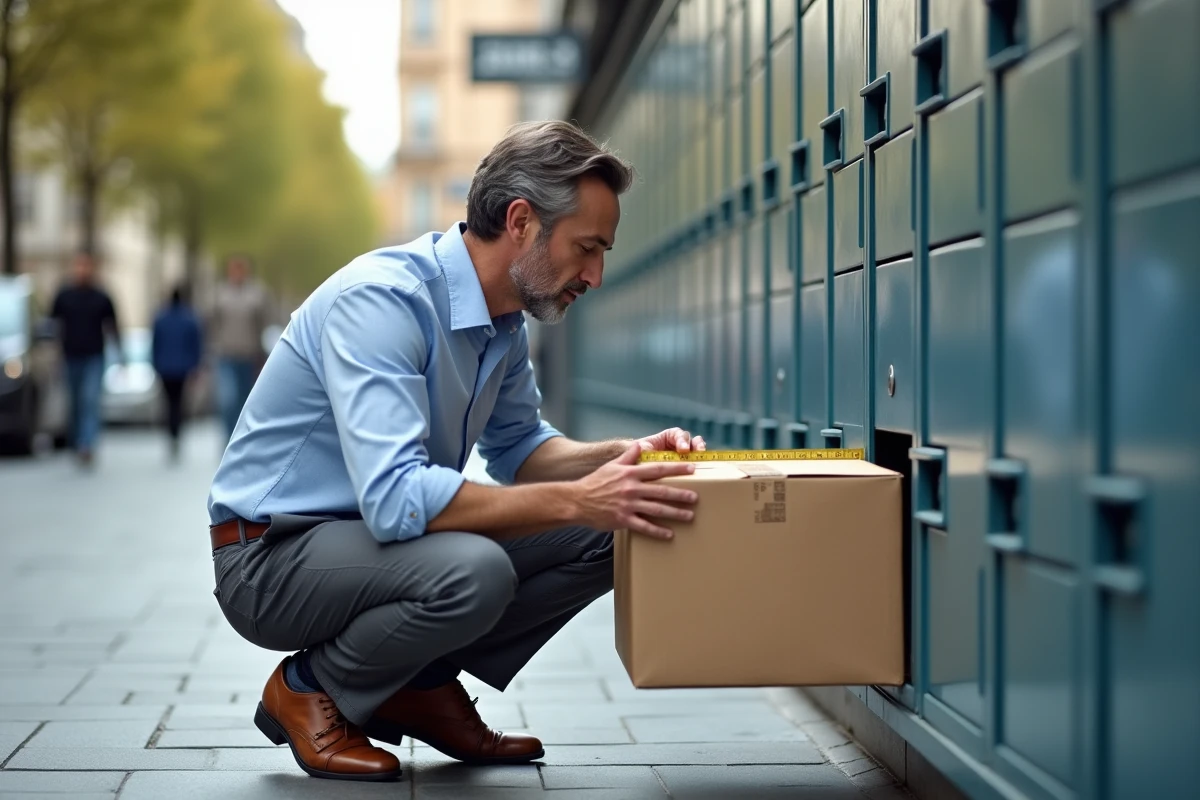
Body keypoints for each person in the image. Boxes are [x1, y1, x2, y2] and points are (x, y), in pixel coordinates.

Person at [206, 120, 706, 782]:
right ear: (522, 221)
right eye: (587, 248)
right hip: (269, 557)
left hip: (366, 545)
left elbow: (521, 448)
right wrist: (577, 499)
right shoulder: (383, 301)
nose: (597, 274)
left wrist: (623, 458)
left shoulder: (502, 322)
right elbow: (394, 500)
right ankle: (307, 685)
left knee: (620, 526)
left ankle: (419, 678)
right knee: (475, 570)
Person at [50, 251, 122, 467]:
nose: (82, 270)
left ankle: (87, 444)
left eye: (86, 266)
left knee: (90, 400)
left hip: (94, 357)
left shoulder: (101, 296)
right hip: (70, 356)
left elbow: (112, 325)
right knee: (74, 402)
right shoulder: (64, 295)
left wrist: (120, 354)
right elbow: (52, 324)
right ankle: (76, 440)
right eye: (78, 266)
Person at [206, 253, 272, 440]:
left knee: (245, 401)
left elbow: (264, 323)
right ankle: (228, 439)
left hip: (250, 357)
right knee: (228, 399)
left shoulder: (258, 294)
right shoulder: (220, 294)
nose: (237, 272)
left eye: (241, 268)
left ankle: (241, 439)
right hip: (226, 356)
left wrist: (262, 353)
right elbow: (212, 322)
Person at [151, 285, 204, 460]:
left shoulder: (160, 318)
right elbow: (195, 344)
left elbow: (155, 344)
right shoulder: (190, 318)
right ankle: (176, 433)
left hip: (165, 368)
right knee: (178, 402)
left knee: (169, 403)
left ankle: (172, 433)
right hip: (182, 368)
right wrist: (195, 366)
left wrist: (155, 364)